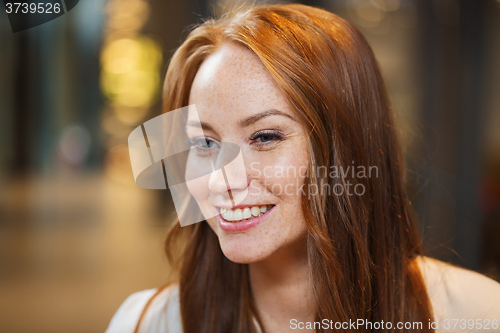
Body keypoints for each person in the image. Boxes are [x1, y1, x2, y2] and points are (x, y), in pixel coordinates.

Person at [106, 4, 500, 333]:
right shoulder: (144, 323)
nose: (221, 180)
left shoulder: (476, 316)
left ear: (347, 149)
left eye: (264, 137)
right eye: (203, 143)